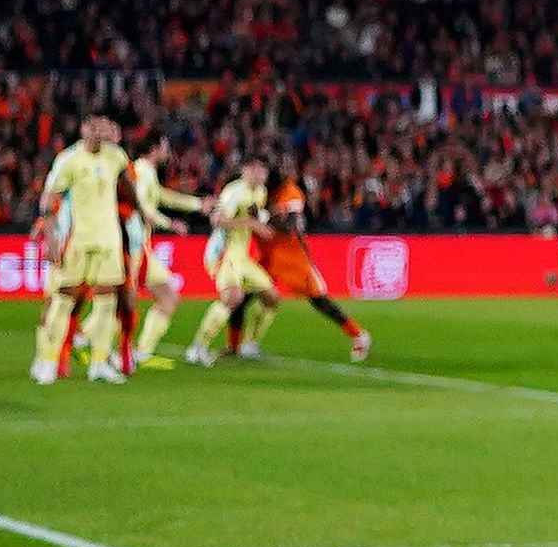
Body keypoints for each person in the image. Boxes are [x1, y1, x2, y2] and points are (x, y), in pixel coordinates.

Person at [31, 114, 137, 387]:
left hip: (108, 241)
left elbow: (129, 190)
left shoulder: (116, 157)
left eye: (106, 123)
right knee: (62, 300)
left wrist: (145, 212)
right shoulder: (68, 160)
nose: (102, 129)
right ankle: (46, 360)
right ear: (84, 128)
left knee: (106, 303)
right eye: (95, 124)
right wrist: (49, 234)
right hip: (74, 239)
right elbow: (50, 197)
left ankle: (99, 363)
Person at [247, 162, 374, 362]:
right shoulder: (255, 190)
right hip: (267, 255)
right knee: (244, 294)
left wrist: (266, 216)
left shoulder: (291, 193)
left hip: (291, 257)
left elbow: (291, 228)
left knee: (318, 299)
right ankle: (240, 345)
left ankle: (358, 335)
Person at [123, 129, 219, 370]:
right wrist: (169, 223)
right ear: (154, 148)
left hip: (140, 246)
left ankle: (141, 353)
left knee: (167, 296)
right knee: (123, 300)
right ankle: (90, 342)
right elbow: (142, 205)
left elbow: (162, 197)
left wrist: (197, 204)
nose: (167, 151)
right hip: (134, 246)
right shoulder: (142, 171)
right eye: (164, 145)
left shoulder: (146, 171)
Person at [191, 159, 278, 365]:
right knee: (232, 298)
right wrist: (252, 223)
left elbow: (256, 215)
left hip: (243, 257)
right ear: (244, 170)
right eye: (254, 169)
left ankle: (249, 345)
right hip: (224, 254)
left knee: (271, 296)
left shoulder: (261, 192)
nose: (258, 174)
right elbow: (217, 221)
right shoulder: (234, 191)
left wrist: (262, 221)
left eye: (262, 170)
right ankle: (197, 347)